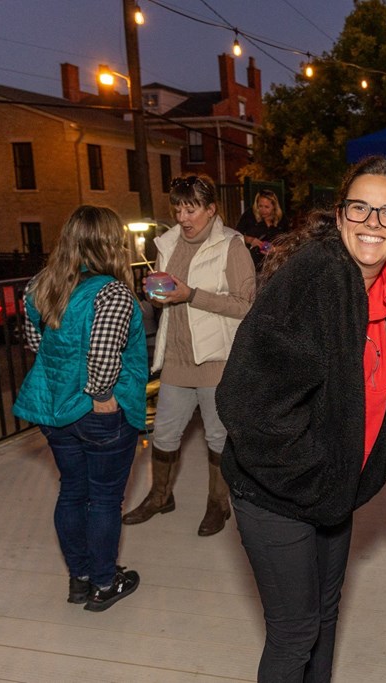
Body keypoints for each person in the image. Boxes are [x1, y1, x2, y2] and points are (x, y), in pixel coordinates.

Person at [215, 156, 386, 680]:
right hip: (279, 494)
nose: (373, 222)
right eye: (360, 208)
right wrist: (312, 476)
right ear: (339, 215)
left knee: (322, 618)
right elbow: (243, 400)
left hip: (330, 492)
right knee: (295, 633)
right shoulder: (319, 277)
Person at [13, 205, 147, 611]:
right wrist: (101, 394)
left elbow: (37, 345)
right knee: (105, 499)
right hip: (98, 411)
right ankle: (106, 585)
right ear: (110, 244)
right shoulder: (112, 293)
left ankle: (80, 578)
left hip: (54, 410)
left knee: (72, 492)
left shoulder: (41, 284)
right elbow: (104, 359)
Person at [122, 174, 255, 536]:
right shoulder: (166, 244)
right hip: (177, 357)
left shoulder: (232, 247)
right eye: (178, 207)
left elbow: (246, 306)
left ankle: (218, 503)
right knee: (163, 434)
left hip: (216, 360)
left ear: (211, 210)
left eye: (192, 208)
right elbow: (168, 290)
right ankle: (160, 496)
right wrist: (157, 296)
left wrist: (192, 295)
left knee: (217, 438)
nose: (183, 216)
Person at [237, 188, 289, 269]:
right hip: (251, 263)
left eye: (267, 207)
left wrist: (275, 249)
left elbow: (289, 244)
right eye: (260, 206)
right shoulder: (249, 215)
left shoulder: (282, 219)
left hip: (274, 265)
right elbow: (235, 236)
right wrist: (250, 240)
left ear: (274, 206)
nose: (263, 210)